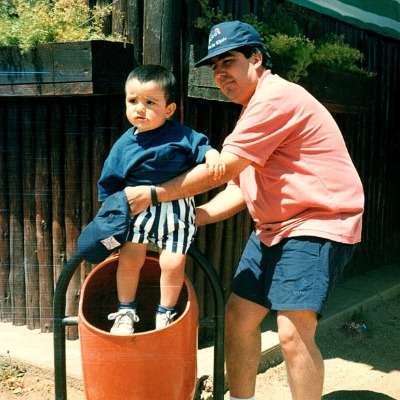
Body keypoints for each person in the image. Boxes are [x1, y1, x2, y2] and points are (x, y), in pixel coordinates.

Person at [123, 21, 364, 400]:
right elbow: (239, 185)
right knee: (238, 317)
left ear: (256, 59)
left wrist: (153, 195)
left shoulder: (275, 99)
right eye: (215, 66)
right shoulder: (254, 109)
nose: (221, 73)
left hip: (318, 220)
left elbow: (224, 169)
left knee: (292, 329)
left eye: (229, 61)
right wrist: (194, 216)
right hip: (273, 227)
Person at [98, 64, 225, 334]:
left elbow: (202, 146)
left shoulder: (181, 135)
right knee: (130, 259)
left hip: (176, 209)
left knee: (173, 262)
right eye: (132, 101)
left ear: (169, 109)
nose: (139, 108)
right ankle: (125, 311)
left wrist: (212, 155)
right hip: (138, 210)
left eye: (150, 102)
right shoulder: (124, 145)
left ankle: (165, 312)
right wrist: (111, 214)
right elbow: (110, 181)